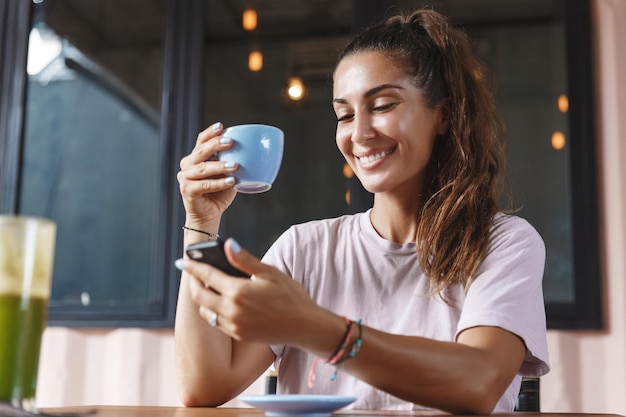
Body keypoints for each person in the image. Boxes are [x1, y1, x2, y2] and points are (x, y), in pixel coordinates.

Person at [174, 8, 549, 414]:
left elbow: (478, 383)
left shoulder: (503, 243)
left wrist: (313, 327)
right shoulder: (305, 248)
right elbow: (204, 386)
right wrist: (201, 223)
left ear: (442, 114)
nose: (360, 133)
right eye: (345, 115)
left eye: (383, 105)